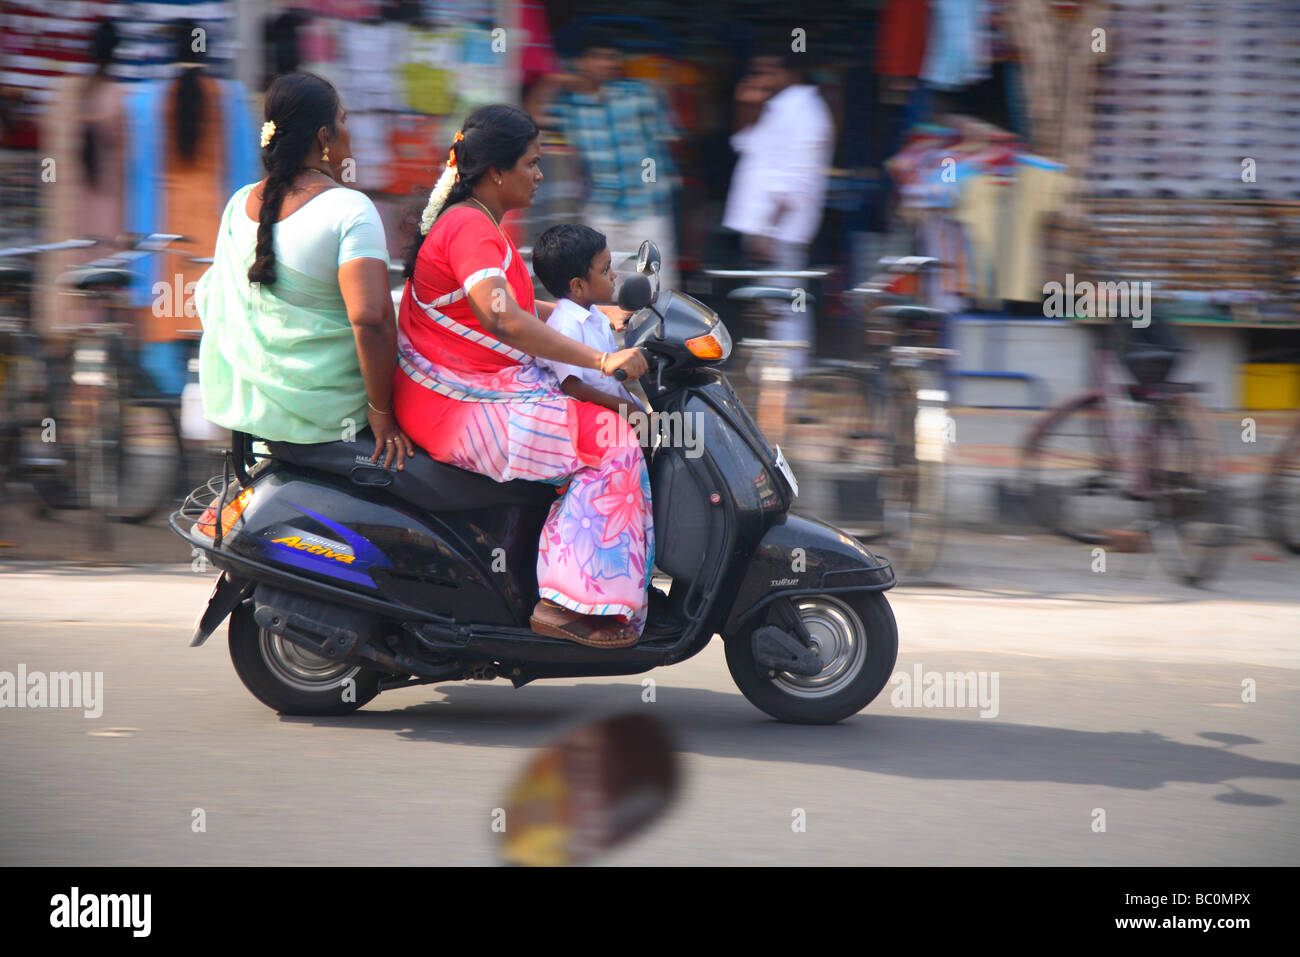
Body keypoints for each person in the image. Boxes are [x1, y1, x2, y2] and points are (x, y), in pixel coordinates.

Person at [392, 105, 653, 650]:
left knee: (603, 419)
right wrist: (601, 360)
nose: (539, 175)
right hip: (461, 407)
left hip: (471, 392)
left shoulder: (480, 222)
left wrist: (598, 316)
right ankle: (566, 604)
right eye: (532, 164)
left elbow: (510, 306)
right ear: (496, 173)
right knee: (614, 442)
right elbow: (500, 317)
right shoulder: (469, 227)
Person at [195, 72, 413, 470]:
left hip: (252, 416)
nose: (349, 133)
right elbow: (371, 319)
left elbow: (213, 299)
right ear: (324, 138)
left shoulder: (239, 203)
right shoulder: (350, 209)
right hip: (330, 417)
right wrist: (381, 412)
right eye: (343, 121)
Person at [524, 27, 680, 290]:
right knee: (609, 292)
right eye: (598, 57)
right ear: (578, 63)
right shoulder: (569, 106)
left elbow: (671, 134)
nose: (607, 64)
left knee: (656, 289)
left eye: (611, 58)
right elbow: (529, 122)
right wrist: (556, 81)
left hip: (647, 208)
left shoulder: (638, 94)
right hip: (602, 211)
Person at [723, 40, 835, 374]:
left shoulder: (807, 112)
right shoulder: (779, 107)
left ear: (791, 71)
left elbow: (797, 180)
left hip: (779, 229)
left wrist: (769, 229)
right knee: (772, 307)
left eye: (769, 71)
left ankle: (788, 382)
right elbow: (743, 144)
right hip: (765, 227)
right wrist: (745, 104)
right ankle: (775, 380)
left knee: (785, 306)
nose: (763, 78)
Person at [531, 223, 642, 419]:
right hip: (597, 415)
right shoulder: (566, 325)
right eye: (605, 270)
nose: (614, 275)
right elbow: (573, 385)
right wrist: (625, 408)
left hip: (615, 404)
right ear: (578, 286)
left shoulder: (594, 314)